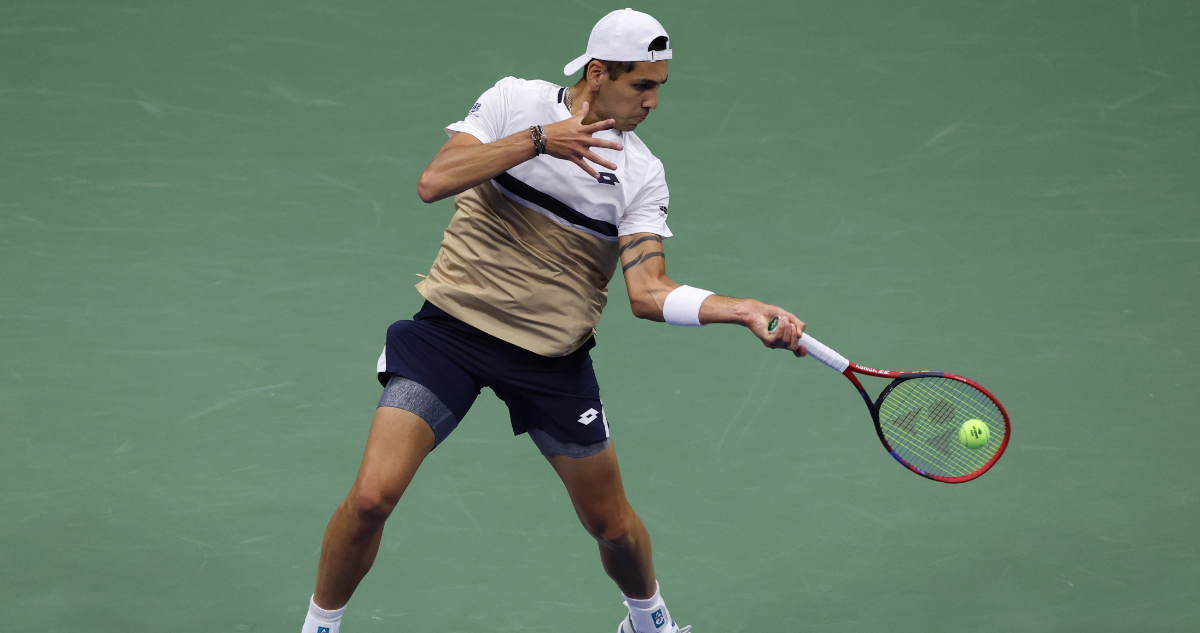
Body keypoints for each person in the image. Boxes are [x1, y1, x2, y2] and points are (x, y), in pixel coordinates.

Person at [300, 9, 807, 633]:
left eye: (659, 87)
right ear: (597, 73)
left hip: (550, 362)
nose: (653, 101)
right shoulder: (515, 102)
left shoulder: (641, 173)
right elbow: (434, 181)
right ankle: (320, 626)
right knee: (373, 497)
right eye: (640, 85)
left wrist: (743, 310)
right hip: (448, 335)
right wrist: (541, 140)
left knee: (613, 527)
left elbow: (648, 292)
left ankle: (649, 622)